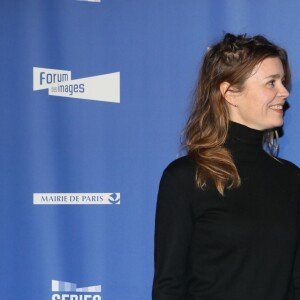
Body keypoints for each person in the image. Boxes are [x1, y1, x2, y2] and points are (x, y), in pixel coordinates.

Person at [152, 33, 300, 300]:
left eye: (282, 81)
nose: (285, 92)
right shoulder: (186, 178)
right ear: (231, 93)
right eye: (271, 82)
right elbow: (169, 286)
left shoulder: (292, 179)